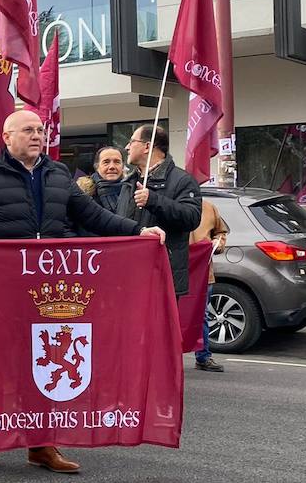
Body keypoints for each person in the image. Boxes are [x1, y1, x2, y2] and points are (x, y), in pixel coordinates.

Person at [0, 111, 165, 475]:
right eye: (28, 130)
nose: (37, 135)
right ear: (7, 137)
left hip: (46, 290)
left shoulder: (58, 174)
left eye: (40, 130)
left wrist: (137, 231)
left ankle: (41, 445)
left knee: (39, 359)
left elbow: (92, 216)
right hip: (2, 288)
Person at [117, 124, 204, 303]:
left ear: (147, 146)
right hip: (129, 275)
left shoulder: (182, 180)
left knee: (159, 330)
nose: (127, 147)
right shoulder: (128, 183)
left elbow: (191, 218)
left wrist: (154, 201)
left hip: (162, 276)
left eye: (132, 141)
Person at [190, 198, 229, 372]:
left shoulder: (208, 207)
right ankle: (168, 358)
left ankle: (203, 357)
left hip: (203, 273)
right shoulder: (168, 204)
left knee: (201, 316)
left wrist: (218, 243)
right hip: (174, 271)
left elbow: (221, 233)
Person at [76, 146, 127, 213]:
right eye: (106, 162)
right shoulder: (83, 194)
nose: (112, 167)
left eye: (117, 162)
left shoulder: (132, 191)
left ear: (123, 166)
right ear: (97, 167)